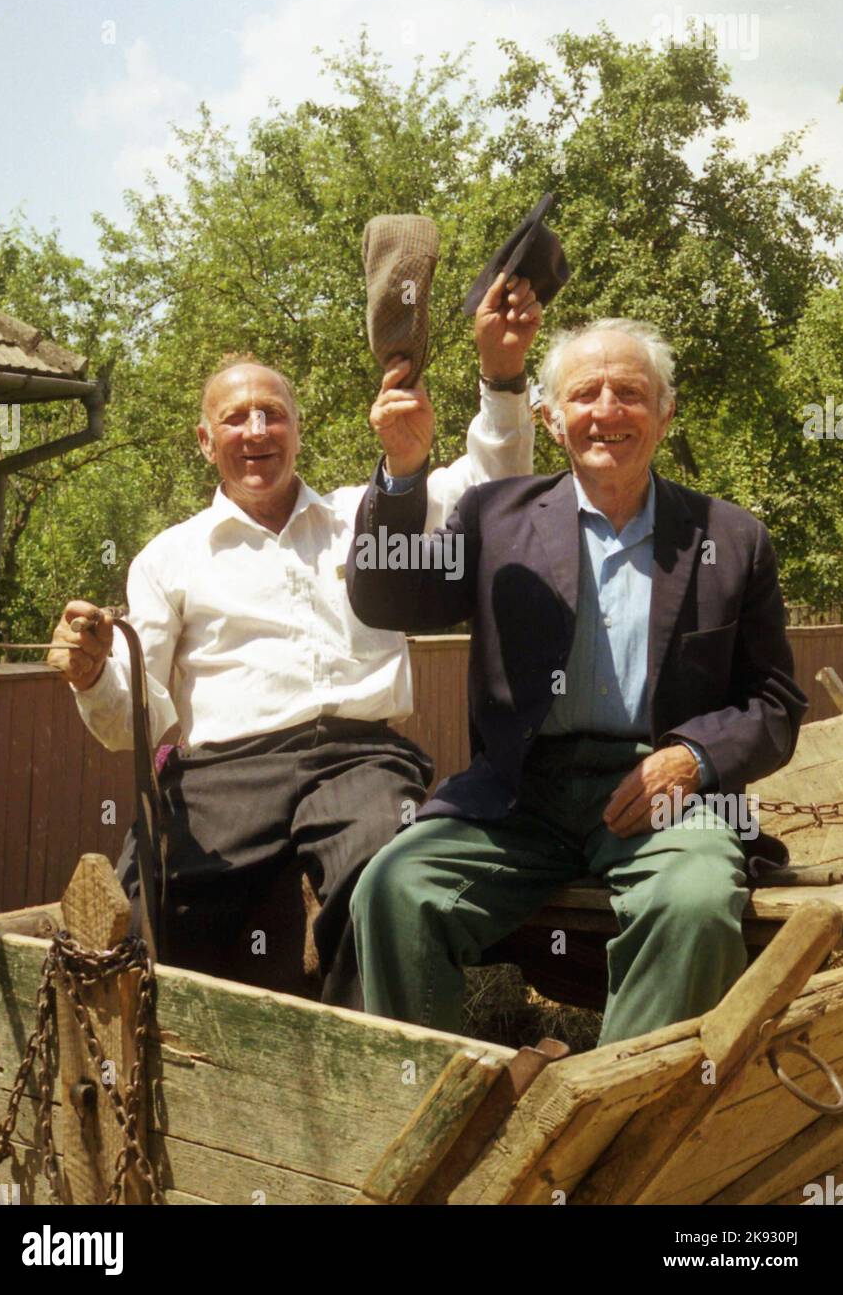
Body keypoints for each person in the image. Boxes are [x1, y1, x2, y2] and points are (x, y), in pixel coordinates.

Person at [47, 272, 543, 1008]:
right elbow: (134, 721)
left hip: (360, 758)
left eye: (272, 414)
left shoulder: (368, 514)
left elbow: (492, 489)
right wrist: (92, 677)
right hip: (222, 775)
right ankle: (192, 1093)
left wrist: (501, 377)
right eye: (236, 417)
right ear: (205, 439)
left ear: (298, 427)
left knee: (385, 877)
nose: (256, 432)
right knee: (152, 903)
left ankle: (378, 1076)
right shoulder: (168, 557)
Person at [346, 317, 807, 1045]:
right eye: (584, 394)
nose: (606, 411)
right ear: (551, 418)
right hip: (519, 797)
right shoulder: (494, 517)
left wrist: (693, 758)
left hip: (660, 799)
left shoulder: (731, 537)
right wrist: (403, 473)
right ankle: (425, 1120)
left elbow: (775, 702)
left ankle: (614, 1123)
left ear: (665, 412)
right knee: (394, 888)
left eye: (630, 393)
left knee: (693, 903)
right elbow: (389, 601)